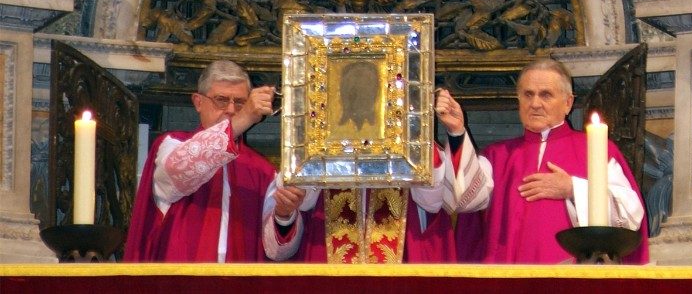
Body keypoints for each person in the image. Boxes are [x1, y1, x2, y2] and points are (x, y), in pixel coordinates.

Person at [446, 58, 649, 264]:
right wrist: (456, 132)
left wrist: (573, 189)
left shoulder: (597, 149)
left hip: (574, 280)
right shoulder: (496, 156)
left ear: (568, 103)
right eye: (528, 94)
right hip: (510, 278)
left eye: (546, 95)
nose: (535, 104)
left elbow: (631, 215)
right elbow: (464, 198)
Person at [261, 89, 469, 263]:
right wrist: (284, 214)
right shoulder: (311, 150)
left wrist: (416, 136)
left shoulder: (417, 150)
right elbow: (277, 250)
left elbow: (432, 203)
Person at [125, 60, 287, 262]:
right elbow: (181, 171)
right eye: (221, 99)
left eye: (240, 103)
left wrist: (284, 215)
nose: (230, 109)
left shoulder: (262, 169)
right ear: (198, 102)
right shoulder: (172, 145)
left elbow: (276, 252)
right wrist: (244, 117)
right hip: (179, 276)